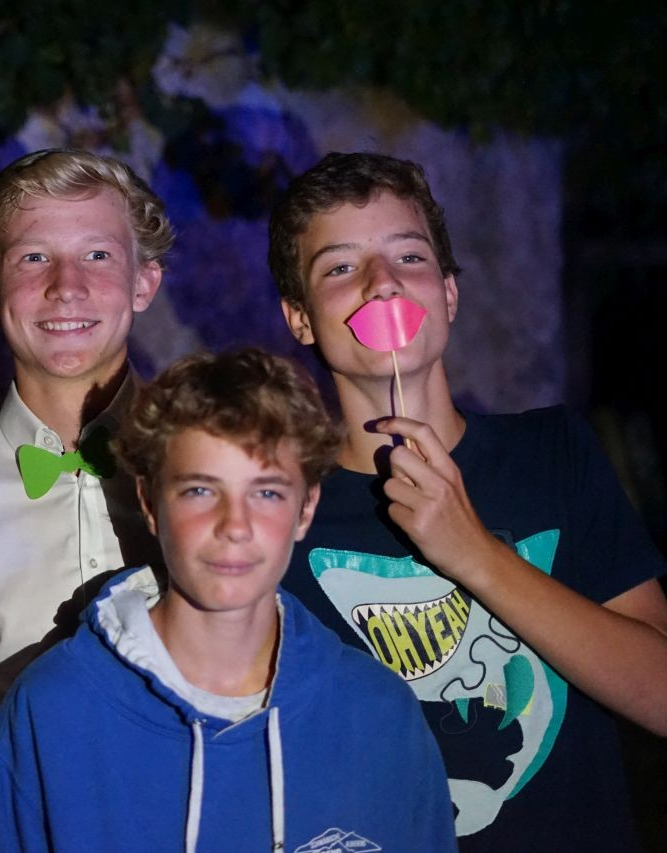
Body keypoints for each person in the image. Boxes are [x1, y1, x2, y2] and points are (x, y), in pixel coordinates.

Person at [269, 151, 667, 849]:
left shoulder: (554, 452)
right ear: (300, 318)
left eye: (409, 257)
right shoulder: (279, 517)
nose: (382, 283)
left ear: (448, 294)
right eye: (340, 267)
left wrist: (474, 554)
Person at [0, 348, 456, 852]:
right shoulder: (53, 709)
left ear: (306, 508)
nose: (235, 526)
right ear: (149, 503)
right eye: (200, 491)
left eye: (267, 493)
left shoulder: (379, 712)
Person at [0, 148, 171, 849]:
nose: (66, 287)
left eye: (98, 255)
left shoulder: (216, 463)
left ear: (145, 281)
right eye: (34, 257)